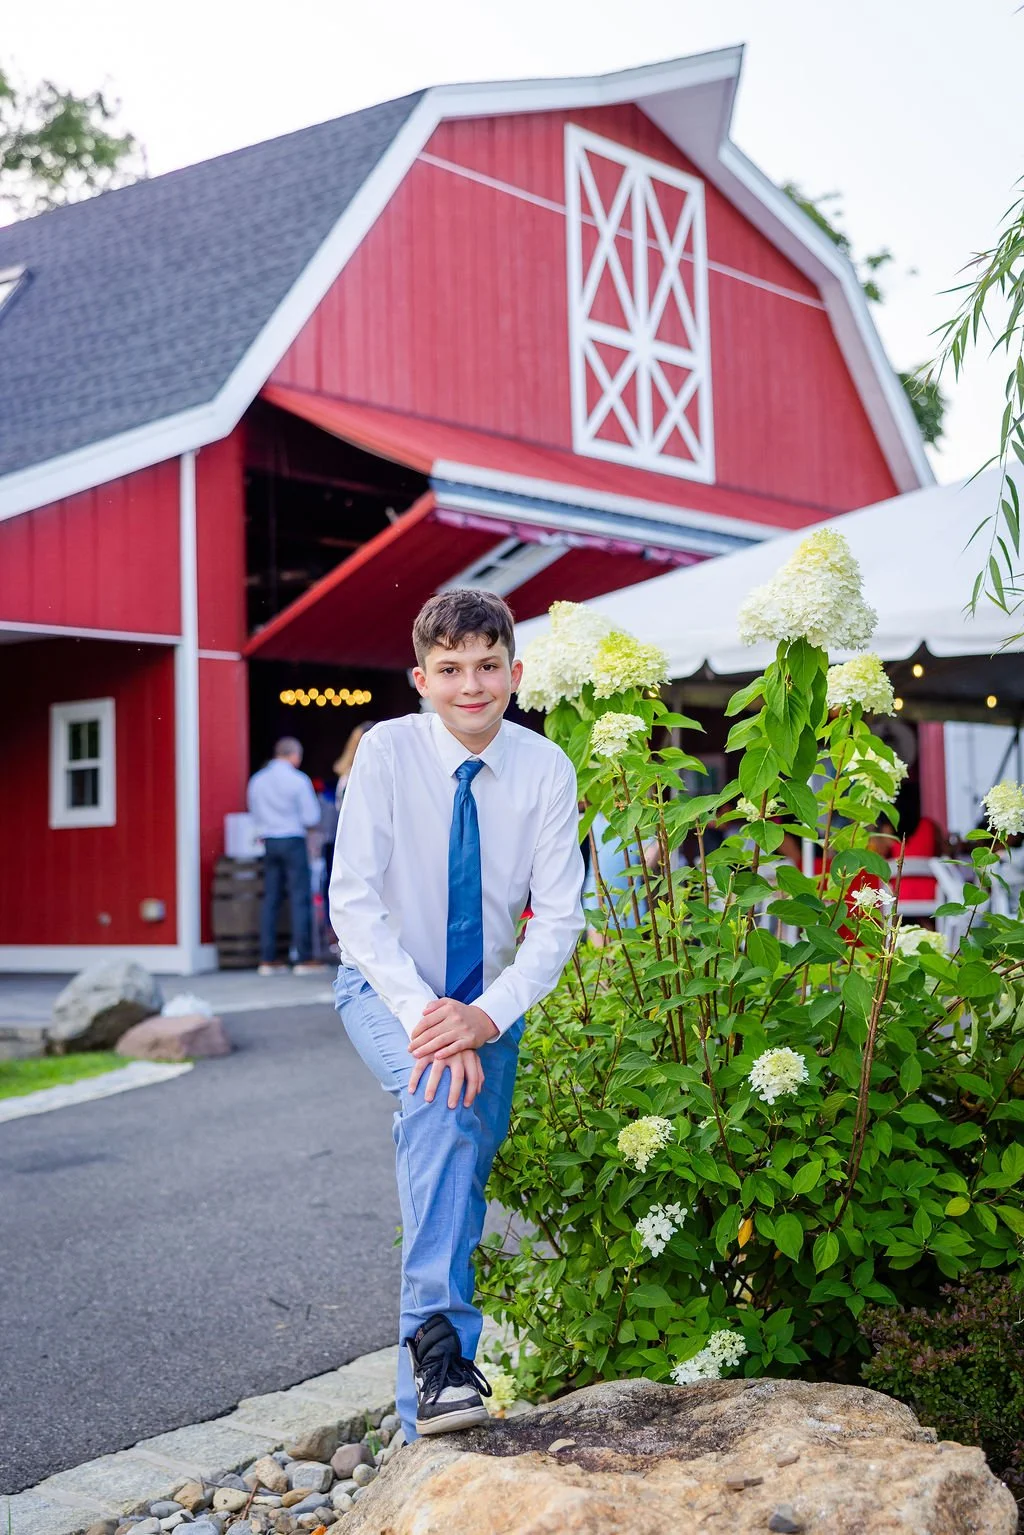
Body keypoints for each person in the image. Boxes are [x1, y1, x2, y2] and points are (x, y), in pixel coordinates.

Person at [330, 589, 584, 1442]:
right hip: (386, 986)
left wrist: (485, 1015)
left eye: (487, 666)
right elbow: (353, 903)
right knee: (442, 1102)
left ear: (516, 672)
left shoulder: (546, 768)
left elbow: (559, 918)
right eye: (450, 669)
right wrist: (430, 1016)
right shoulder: (388, 754)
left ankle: (421, 1429)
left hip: (494, 1004)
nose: (470, 685)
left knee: (457, 1176)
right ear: (421, 679)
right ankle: (442, 1364)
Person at [247, 736, 324, 976]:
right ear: (294, 755)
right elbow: (311, 816)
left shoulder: (257, 780)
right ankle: (303, 957)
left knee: (271, 899)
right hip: (293, 839)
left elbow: (254, 811)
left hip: (269, 841)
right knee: (300, 898)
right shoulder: (298, 780)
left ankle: (268, 959)